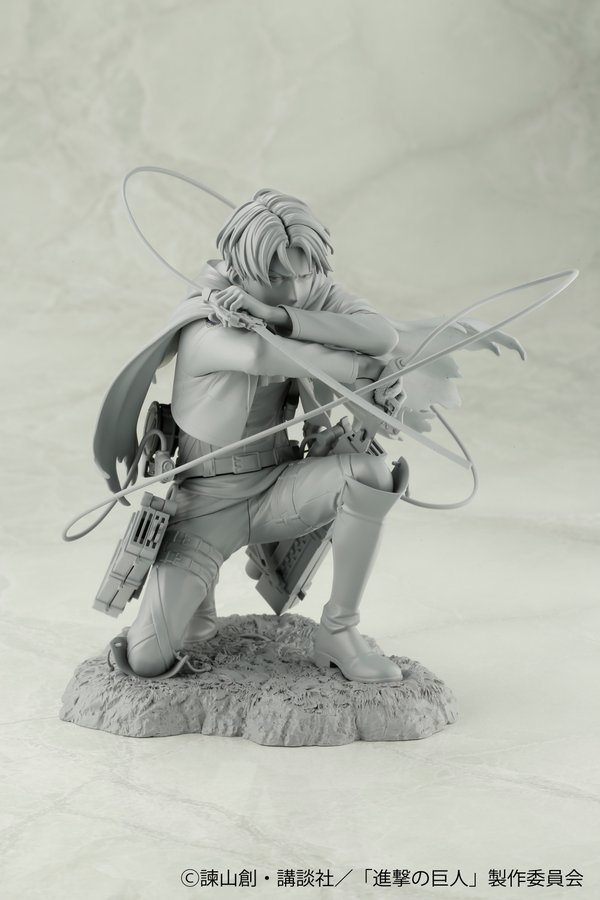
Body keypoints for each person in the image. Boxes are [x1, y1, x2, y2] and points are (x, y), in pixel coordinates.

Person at [95, 189, 415, 683]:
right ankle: (195, 605)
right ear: (243, 268)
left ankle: (339, 630)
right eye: (278, 279)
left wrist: (279, 316)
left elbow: (382, 335)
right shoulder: (205, 319)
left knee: (371, 475)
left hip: (279, 484)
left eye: (302, 274)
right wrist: (364, 369)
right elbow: (260, 356)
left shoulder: (303, 296)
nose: (295, 291)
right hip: (205, 504)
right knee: (148, 659)